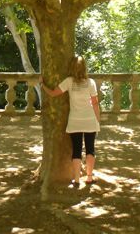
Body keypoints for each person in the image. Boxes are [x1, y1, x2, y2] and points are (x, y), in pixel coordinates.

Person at [40, 55, 100, 187]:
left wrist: (43, 85)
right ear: (84, 67)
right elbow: (95, 103)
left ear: (72, 67)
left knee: (76, 150)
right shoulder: (91, 82)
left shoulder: (68, 82)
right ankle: (89, 177)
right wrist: (97, 120)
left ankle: (77, 179)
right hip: (90, 120)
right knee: (90, 149)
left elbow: (53, 93)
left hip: (75, 121)